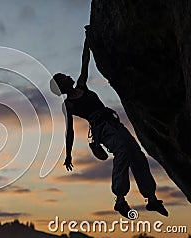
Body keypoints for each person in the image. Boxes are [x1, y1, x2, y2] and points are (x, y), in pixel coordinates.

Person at [50, 26, 168, 218]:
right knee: (122, 152)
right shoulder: (69, 104)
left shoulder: (81, 85)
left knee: (136, 154)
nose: (67, 76)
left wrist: (88, 39)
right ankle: (120, 200)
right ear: (61, 86)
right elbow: (69, 131)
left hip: (113, 124)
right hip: (102, 129)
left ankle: (151, 199)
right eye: (63, 77)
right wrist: (68, 155)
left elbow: (85, 61)